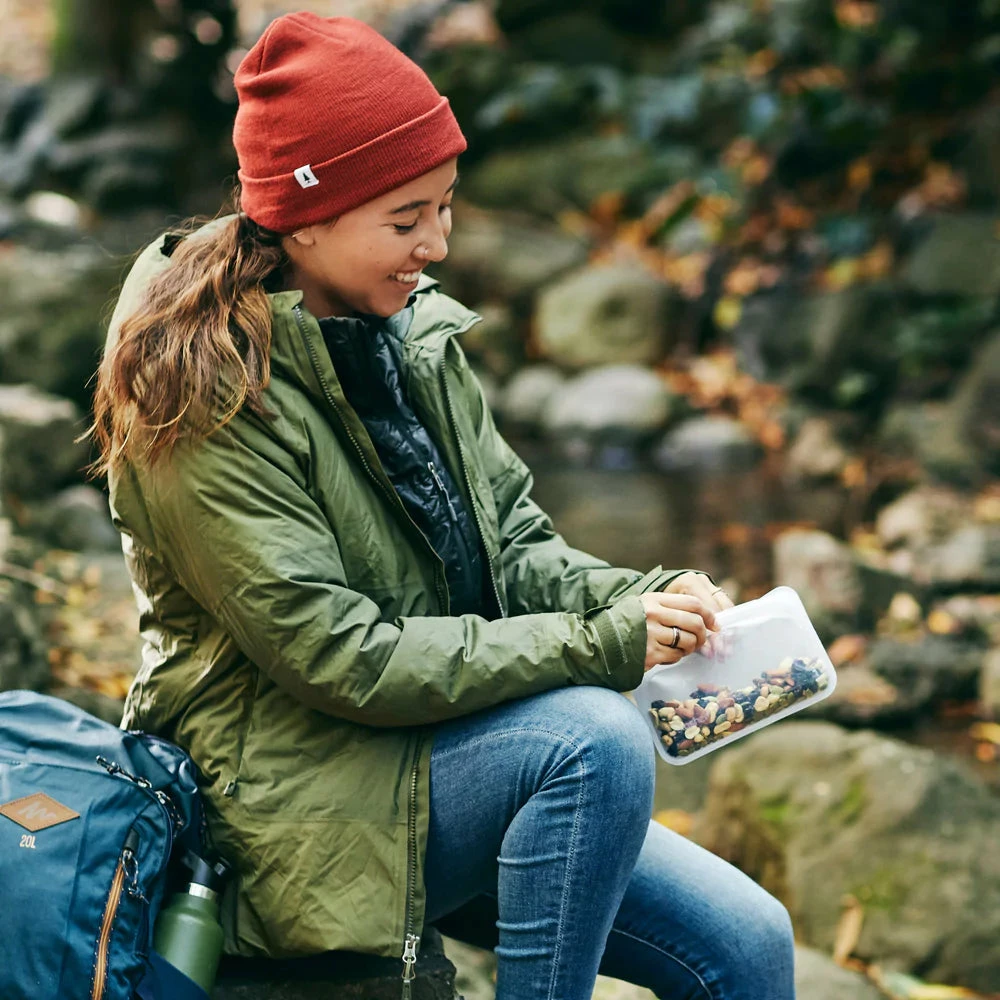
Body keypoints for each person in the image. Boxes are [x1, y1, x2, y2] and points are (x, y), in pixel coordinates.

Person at [90, 12, 796, 1000]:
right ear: (307, 214)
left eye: (445, 207)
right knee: (592, 737)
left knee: (751, 942)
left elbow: (510, 541)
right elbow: (337, 653)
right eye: (406, 217)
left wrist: (651, 597)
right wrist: (603, 641)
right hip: (286, 802)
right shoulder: (201, 391)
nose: (439, 243)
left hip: (430, 757)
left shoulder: (405, 333)